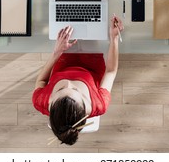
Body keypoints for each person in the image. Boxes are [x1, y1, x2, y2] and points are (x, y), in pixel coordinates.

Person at [32, 15, 124, 145]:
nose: (69, 83)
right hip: (92, 60)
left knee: (66, 19)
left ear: (51, 104)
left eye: (61, 89)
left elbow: (41, 81)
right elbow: (110, 72)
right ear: (84, 104)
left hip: (63, 57)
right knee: (91, 20)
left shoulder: (40, 102)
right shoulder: (99, 104)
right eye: (75, 89)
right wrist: (114, 38)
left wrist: (57, 52)